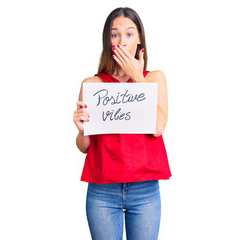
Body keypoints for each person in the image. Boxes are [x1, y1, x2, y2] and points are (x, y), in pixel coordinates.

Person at [73, 7, 172, 240]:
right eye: (115, 34)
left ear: (139, 38)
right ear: (108, 40)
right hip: (103, 190)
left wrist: (137, 77)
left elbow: (158, 127)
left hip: (145, 190)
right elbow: (84, 146)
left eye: (129, 34)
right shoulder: (93, 84)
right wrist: (81, 130)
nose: (122, 41)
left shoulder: (155, 78)